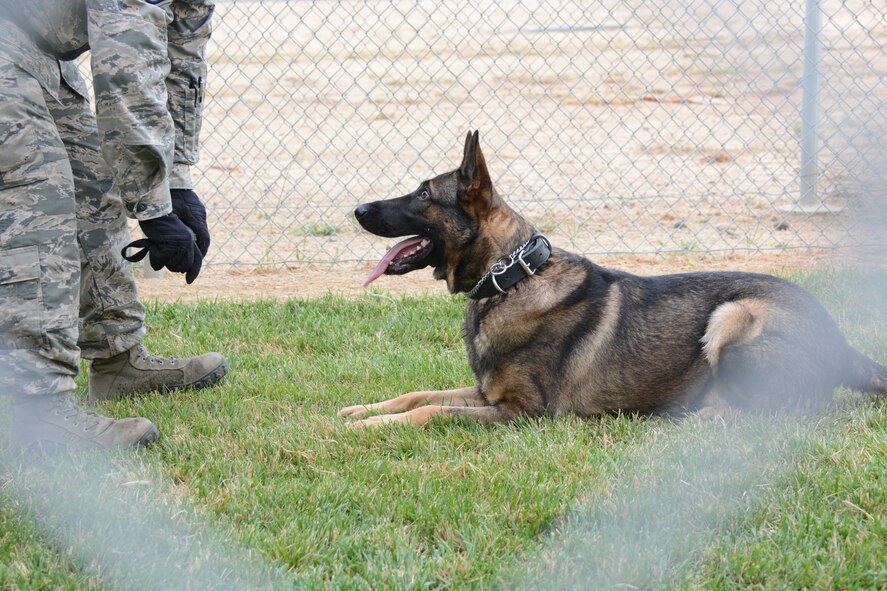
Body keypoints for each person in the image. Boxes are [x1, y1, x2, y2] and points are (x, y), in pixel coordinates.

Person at [0, 0, 228, 451]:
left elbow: (180, 55)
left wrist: (177, 181)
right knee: (39, 201)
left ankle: (118, 361)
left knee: (93, 185)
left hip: (36, 55)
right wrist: (153, 207)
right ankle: (38, 410)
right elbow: (124, 64)